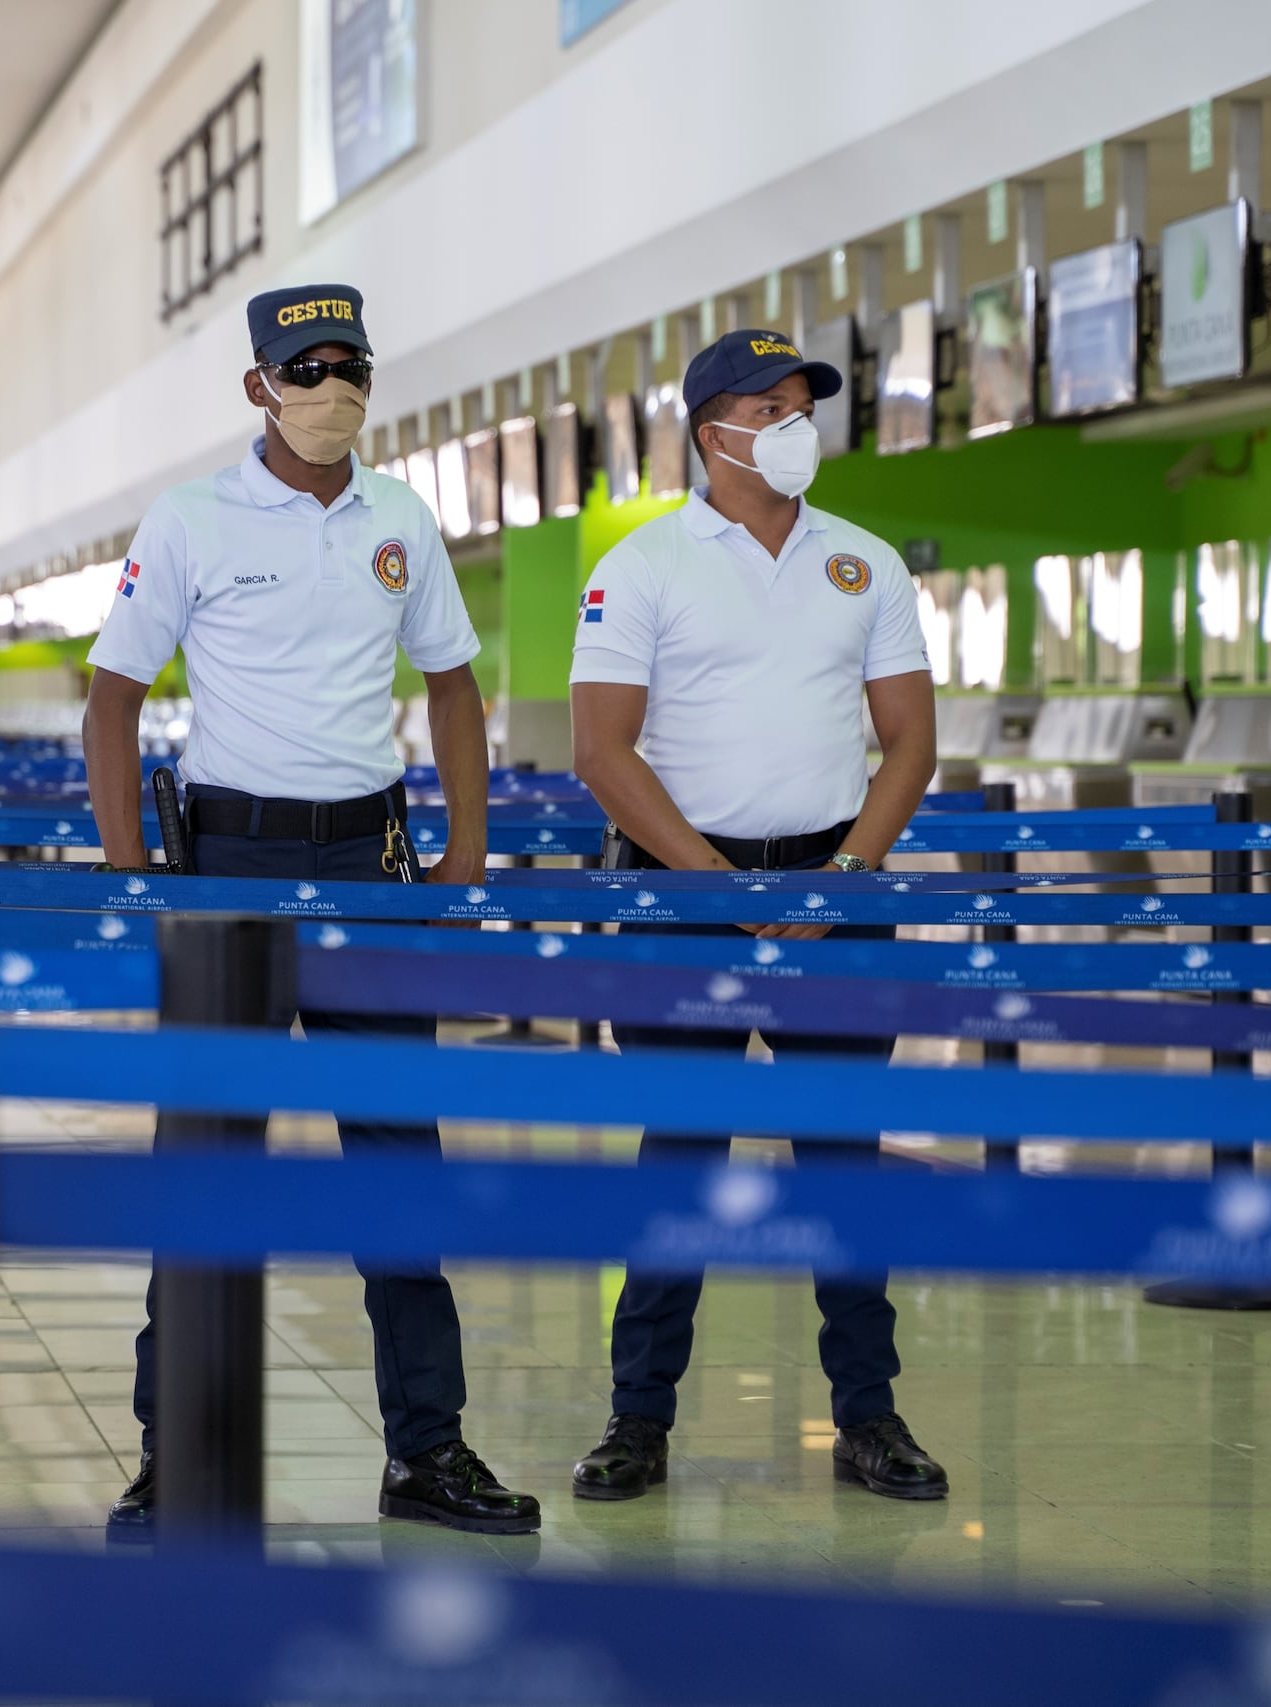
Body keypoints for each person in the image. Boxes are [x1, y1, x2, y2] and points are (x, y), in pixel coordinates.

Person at [81, 283, 537, 1537]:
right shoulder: (190, 521)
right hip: (228, 864)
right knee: (206, 1168)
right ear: (258, 387)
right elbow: (112, 697)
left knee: (400, 1166)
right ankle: (181, 1455)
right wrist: (132, 873)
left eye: (352, 366)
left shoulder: (402, 519)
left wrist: (464, 853)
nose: (334, 386)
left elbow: (451, 688)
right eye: (307, 366)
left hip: (369, 866)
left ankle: (428, 1455)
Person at [564, 327, 947, 1503]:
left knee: (841, 1162)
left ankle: (870, 1419)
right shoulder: (642, 567)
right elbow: (598, 748)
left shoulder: (865, 563)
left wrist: (849, 870)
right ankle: (637, 1421)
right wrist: (715, 885)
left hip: (839, 892)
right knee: (679, 1163)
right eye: (769, 407)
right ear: (709, 428)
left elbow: (910, 741)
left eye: (803, 405)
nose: (794, 426)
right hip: (688, 900)